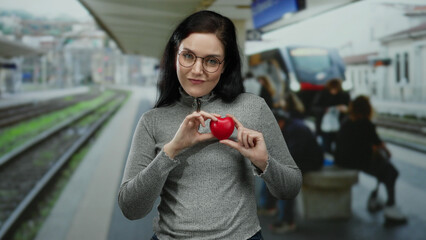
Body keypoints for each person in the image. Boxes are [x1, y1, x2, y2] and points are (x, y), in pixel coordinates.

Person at [118, 10, 302, 240]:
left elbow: (290, 188)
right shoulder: (152, 121)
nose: (197, 70)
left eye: (212, 61)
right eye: (188, 56)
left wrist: (263, 162)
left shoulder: (253, 108)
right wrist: (171, 150)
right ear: (175, 55)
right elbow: (130, 208)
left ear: (225, 66)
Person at [335, 95, 407, 225]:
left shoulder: (346, 121)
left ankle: (376, 198)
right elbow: (379, 144)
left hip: (342, 160)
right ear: (367, 109)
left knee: (384, 170)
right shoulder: (366, 123)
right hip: (358, 161)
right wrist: (387, 152)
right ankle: (390, 206)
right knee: (392, 172)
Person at [269, 108, 324, 233]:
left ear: (280, 122)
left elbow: (293, 155)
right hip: (305, 158)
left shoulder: (294, 130)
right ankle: (278, 211)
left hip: (310, 161)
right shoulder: (291, 126)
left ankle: (288, 221)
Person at [311, 78, 350, 155]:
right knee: (326, 145)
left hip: (339, 125)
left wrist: (345, 109)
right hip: (325, 126)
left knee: (339, 144)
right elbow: (314, 108)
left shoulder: (343, 95)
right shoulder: (322, 94)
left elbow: (349, 108)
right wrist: (325, 110)